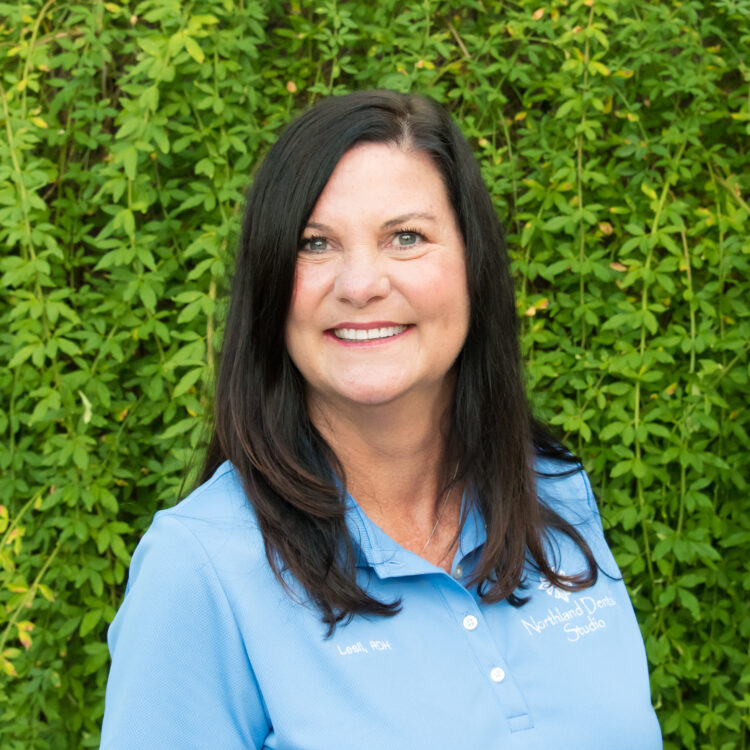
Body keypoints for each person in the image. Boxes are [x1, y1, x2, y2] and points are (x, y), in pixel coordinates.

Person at [100, 91, 662, 749]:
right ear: (271, 283)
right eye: (315, 243)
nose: (360, 283)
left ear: (474, 269)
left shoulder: (552, 489)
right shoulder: (199, 569)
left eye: (407, 237)